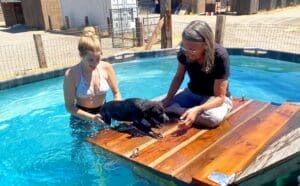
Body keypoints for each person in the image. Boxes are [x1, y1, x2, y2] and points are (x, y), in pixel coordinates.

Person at [162, 20, 232, 130]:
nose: (187, 52)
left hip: (214, 98)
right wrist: (168, 99)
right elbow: (178, 77)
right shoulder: (183, 52)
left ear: (206, 45)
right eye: (185, 47)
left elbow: (220, 97)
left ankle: (179, 110)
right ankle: (183, 110)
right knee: (158, 106)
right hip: (191, 93)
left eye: (192, 49)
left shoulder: (220, 56)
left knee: (212, 118)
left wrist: (197, 110)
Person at [63, 26, 122, 128]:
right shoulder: (71, 74)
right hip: (81, 118)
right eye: (90, 60)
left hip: (104, 114)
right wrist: (92, 118)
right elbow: (69, 107)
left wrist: (117, 108)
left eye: (98, 58)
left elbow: (116, 93)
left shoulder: (107, 67)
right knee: (82, 144)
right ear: (81, 55)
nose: (95, 63)